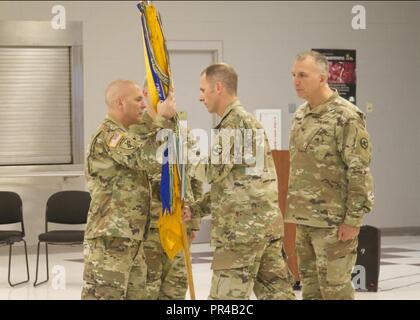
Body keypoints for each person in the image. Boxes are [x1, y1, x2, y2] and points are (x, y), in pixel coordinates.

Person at [185, 63, 296, 300]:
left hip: (241, 234)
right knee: (277, 296)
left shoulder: (234, 124)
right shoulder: (244, 122)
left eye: (203, 90)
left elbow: (210, 171)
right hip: (263, 228)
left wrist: (182, 151)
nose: (200, 97)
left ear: (218, 87)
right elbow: (233, 184)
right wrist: (195, 209)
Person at [286, 51, 374, 300]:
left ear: (323, 77)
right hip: (304, 220)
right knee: (310, 291)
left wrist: (352, 220)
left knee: (335, 291)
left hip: (334, 224)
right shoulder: (301, 114)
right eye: (293, 75)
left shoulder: (346, 116)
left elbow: (359, 171)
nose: (296, 81)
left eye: (303, 75)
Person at [81, 79, 176, 300]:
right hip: (111, 237)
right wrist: (162, 119)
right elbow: (146, 158)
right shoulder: (110, 135)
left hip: (131, 236)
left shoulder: (125, 134)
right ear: (120, 103)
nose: (144, 104)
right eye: (138, 99)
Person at [140, 81, 204, 300]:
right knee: (147, 288)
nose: (168, 101)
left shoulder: (181, 132)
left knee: (176, 287)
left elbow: (194, 176)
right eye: (162, 96)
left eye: (171, 96)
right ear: (146, 94)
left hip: (177, 223)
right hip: (147, 227)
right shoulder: (137, 131)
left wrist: (194, 220)